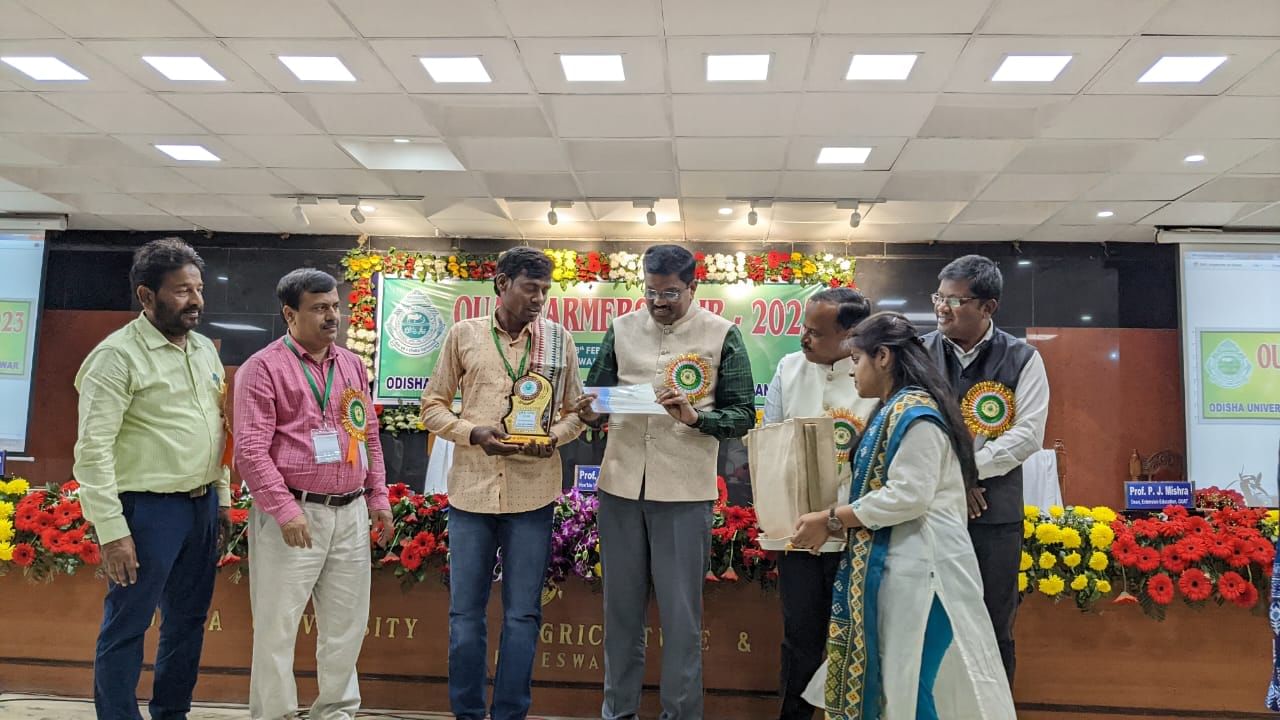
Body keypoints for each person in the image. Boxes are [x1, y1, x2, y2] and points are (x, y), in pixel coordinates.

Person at [792, 312, 1016, 720]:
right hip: (904, 571)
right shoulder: (894, 410)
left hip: (927, 574)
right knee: (900, 690)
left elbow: (908, 496)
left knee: (909, 690)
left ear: (882, 357)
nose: (851, 373)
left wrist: (834, 518)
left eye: (855, 360)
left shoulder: (916, 414)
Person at [575, 244, 755, 720]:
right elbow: (596, 397)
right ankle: (618, 713)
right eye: (651, 291)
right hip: (620, 489)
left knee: (681, 621)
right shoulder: (620, 329)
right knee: (620, 616)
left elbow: (743, 414)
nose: (658, 302)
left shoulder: (723, 335)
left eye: (670, 293)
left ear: (694, 287)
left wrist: (698, 419)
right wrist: (591, 412)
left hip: (684, 493)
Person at [419, 247, 588, 720]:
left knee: (523, 616)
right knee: (465, 617)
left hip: (533, 495)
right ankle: (468, 713)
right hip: (472, 493)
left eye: (545, 291)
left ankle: (511, 712)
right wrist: (473, 433)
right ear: (501, 284)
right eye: (530, 288)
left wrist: (552, 438)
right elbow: (431, 406)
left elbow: (575, 413)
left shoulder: (559, 341)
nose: (539, 299)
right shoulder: (464, 335)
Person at [73, 237, 232, 720]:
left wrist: (222, 498)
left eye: (199, 289)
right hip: (145, 512)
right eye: (182, 291)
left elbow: (218, 428)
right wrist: (112, 530)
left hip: (200, 507)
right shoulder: (115, 357)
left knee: (187, 622)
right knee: (128, 624)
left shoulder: (204, 349)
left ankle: (171, 712)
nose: (197, 301)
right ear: (147, 296)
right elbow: (92, 451)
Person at [233, 268, 393, 720]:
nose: (332, 317)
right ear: (290, 313)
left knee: (347, 625)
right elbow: (249, 449)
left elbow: (370, 435)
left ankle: (336, 711)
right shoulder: (262, 368)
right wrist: (284, 511)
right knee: (277, 625)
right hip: (293, 513)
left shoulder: (351, 364)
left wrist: (377, 496)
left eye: (335, 307)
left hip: (350, 513)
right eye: (319, 308)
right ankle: (276, 713)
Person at [922, 254, 1049, 684]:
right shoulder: (916, 355)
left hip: (993, 516)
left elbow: (1028, 434)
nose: (942, 307)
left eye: (956, 301)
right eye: (939, 297)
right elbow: (904, 426)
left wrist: (968, 472)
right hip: (930, 512)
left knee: (994, 626)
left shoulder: (1023, 358)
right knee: (929, 624)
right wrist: (953, 477)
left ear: (988, 307)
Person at [760, 288, 879, 720]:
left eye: (815, 332)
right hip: (801, 537)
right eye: (803, 328)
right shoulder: (789, 368)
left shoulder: (877, 375)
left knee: (859, 639)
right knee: (800, 639)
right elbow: (770, 439)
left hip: (862, 533)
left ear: (850, 337)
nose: (803, 339)